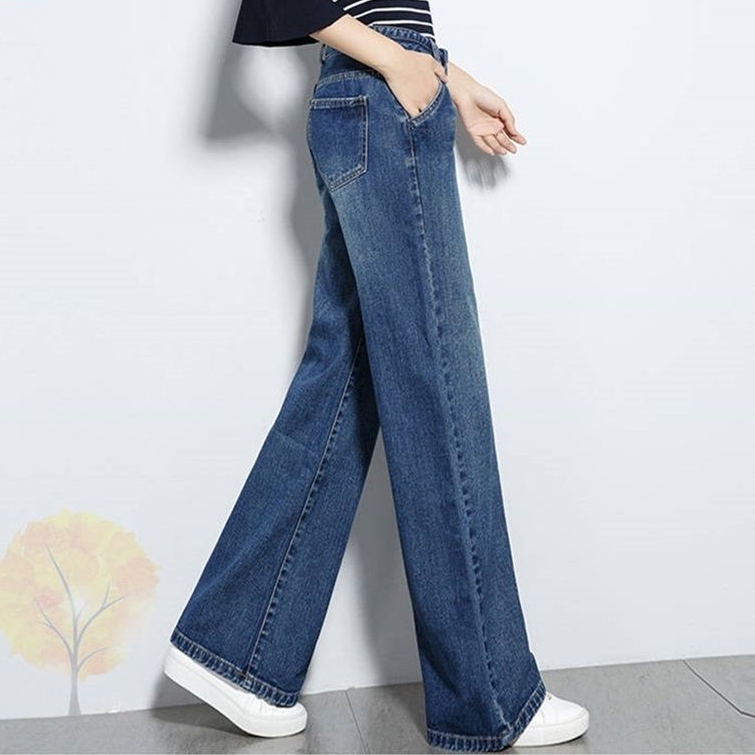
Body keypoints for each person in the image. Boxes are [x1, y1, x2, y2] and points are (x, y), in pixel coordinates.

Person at [162, 0, 590, 751]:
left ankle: (239, 648)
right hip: (381, 98)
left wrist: (449, 77)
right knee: (439, 386)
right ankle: (490, 697)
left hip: (369, 92)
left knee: (345, 384)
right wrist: (398, 64)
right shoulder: (386, 73)